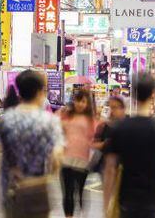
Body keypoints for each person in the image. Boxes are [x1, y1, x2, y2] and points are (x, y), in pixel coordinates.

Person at [0, 70, 64, 218]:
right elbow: (56, 157)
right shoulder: (50, 122)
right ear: (40, 92)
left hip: (11, 190)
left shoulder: (3, 120)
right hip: (37, 189)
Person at [104, 74, 155, 218]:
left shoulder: (119, 128)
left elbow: (110, 169)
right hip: (152, 199)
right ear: (153, 94)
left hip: (126, 198)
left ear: (133, 93)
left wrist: (106, 206)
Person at [59, 89, 96, 218]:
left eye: (83, 101)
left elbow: (94, 138)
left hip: (83, 161)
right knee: (67, 192)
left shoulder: (91, 119)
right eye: (77, 100)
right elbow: (58, 127)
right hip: (66, 159)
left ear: (88, 103)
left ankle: (81, 215)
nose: (80, 104)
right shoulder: (67, 115)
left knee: (80, 192)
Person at [92, 96, 126, 175]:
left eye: (114, 107)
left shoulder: (128, 126)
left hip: (123, 167)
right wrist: (104, 144)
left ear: (123, 109)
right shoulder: (103, 126)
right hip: (106, 166)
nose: (111, 111)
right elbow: (93, 145)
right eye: (109, 107)